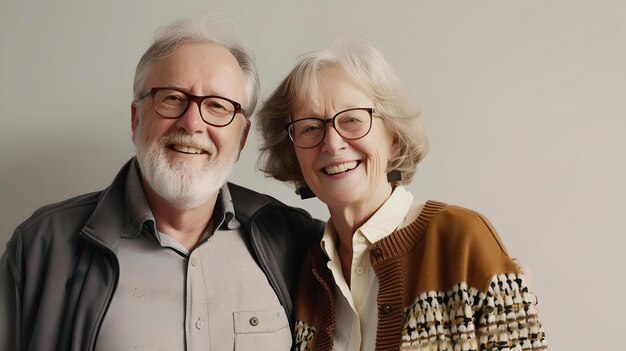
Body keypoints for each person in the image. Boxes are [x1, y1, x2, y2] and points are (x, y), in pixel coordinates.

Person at [0, 16, 322, 351]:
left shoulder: (299, 243)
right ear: (136, 119)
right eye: (172, 98)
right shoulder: (40, 247)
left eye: (217, 106)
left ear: (240, 139)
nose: (192, 123)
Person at [256, 40, 548, 350]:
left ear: (394, 138)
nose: (331, 143)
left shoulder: (460, 239)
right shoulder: (307, 273)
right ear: (294, 153)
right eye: (311, 128)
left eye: (352, 120)